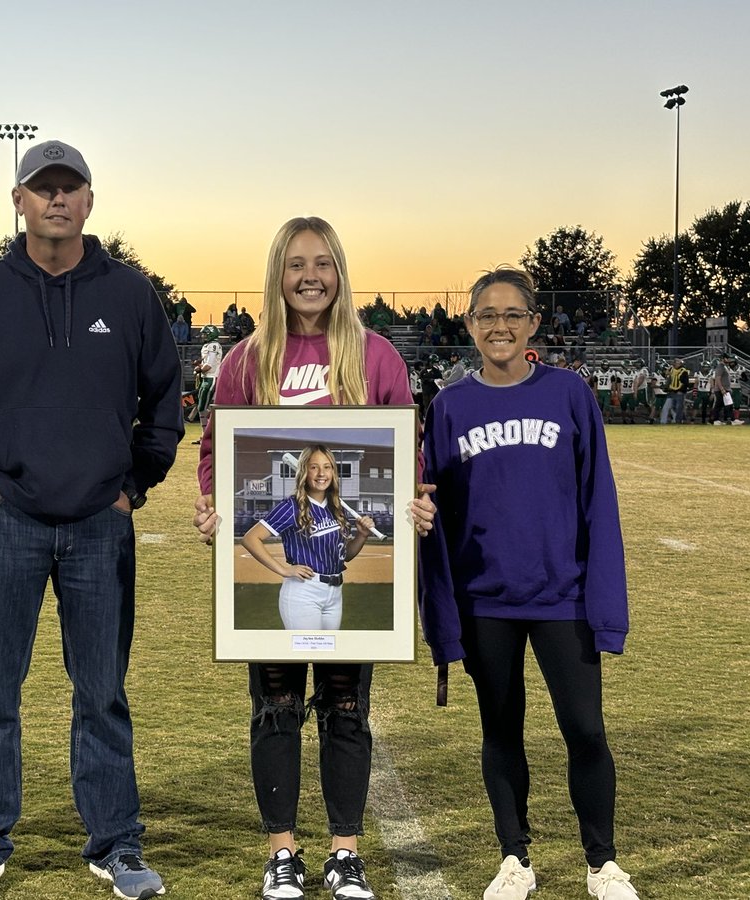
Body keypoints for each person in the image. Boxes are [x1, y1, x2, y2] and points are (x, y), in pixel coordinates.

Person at [0, 139, 182, 900]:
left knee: (102, 693)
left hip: (101, 523)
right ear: (19, 200)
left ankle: (116, 844)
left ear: (90, 201)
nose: (57, 199)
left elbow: (166, 402)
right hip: (8, 522)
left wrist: (133, 486)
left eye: (70, 187)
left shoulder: (130, 294)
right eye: (42, 187)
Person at [192, 217, 436, 900]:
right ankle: (282, 854)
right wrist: (212, 505)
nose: (310, 276)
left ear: (340, 272)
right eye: (296, 263)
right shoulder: (247, 359)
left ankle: (344, 854)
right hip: (293, 585)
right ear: (278, 272)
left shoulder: (375, 355)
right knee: (276, 705)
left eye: (323, 263)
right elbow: (215, 450)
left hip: (335, 583)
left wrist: (416, 501)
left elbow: (409, 450)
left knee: (345, 706)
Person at [420, 267, 638, 900]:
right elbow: (433, 503)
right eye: (486, 315)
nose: (500, 326)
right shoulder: (449, 406)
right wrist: (421, 513)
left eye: (512, 314)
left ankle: (602, 864)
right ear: (469, 326)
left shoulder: (569, 393)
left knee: (586, 729)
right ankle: (514, 858)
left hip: (562, 596)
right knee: (500, 730)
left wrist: (604, 604)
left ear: (534, 323)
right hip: (485, 600)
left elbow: (598, 497)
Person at [240, 444, 376, 630]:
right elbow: (250, 538)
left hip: (335, 593)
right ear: (304, 471)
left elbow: (345, 555)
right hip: (304, 591)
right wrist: (284, 570)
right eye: (314, 467)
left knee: (328, 649)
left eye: (327, 467)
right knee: (306, 647)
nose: (321, 473)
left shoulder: (337, 508)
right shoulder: (291, 506)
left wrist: (362, 536)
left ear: (333, 472)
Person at [189, 324, 223, 433]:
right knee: (201, 406)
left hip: (211, 378)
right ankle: (205, 433)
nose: (203, 336)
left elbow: (209, 365)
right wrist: (199, 364)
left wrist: (199, 369)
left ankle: (211, 429)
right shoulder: (208, 345)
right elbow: (206, 362)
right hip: (206, 378)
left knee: (202, 407)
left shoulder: (213, 345)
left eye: (205, 334)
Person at [661, 358, 690, 424]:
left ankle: (678, 421)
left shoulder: (683, 371)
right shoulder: (671, 369)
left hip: (679, 392)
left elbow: (685, 383)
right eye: (675, 363)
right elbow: (667, 377)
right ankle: (665, 421)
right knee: (671, 407)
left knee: (678, 407)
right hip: (671, 391)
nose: (675, 364)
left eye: (677, 363)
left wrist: (681, 390)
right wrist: (666, 387)